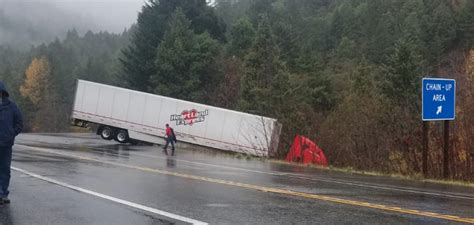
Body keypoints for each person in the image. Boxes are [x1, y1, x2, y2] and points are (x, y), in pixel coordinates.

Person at [0, 82, 23, 204]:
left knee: (5, 169)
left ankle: (3, 194)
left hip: (6, 144)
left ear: (3, 93)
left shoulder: (11, 106)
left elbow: (19, 123)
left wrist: (11, 134)